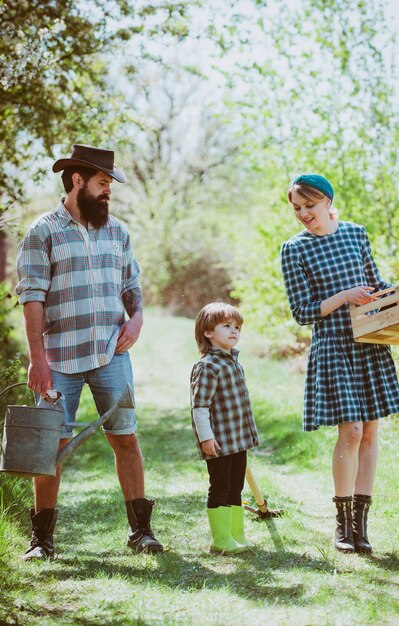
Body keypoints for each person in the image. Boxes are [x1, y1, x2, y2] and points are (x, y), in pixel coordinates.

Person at [280, 174, 399, 554]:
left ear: (327, 201)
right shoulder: (294, 249)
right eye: (297, 208)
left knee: (371, 431)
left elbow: (376, 285)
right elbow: (303, 312)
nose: (303, 214)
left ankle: (361, 525)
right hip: (334, 346)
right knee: (352, 431)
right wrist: (343, 295)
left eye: (309, 205)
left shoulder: (356, 234)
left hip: (369, 342)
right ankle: (342, 526)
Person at [16, 144, 163, 559]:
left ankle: (141, 532)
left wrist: (136, 320)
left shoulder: (117, 230)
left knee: (126, 439)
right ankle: (41, 539)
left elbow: (131, 284)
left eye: (109, 185)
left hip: (110, 355)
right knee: (50, 445)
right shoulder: (42, 231)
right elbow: (32, 299)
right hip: (58, 360)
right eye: (102, 183)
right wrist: (37, 359)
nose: (108, 192)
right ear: (77, 181)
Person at [190, 302, 259, 554]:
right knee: (220, 486)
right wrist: (206, 438)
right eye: (227, 326)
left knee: (236, 486)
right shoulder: (207, 366)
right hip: (218, 441)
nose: (234, 331)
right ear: (208, 332)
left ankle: (235, 534)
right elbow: (199, 406)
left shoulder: (232, 362)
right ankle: (219, 540)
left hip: (237, 439)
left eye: (237, 327)